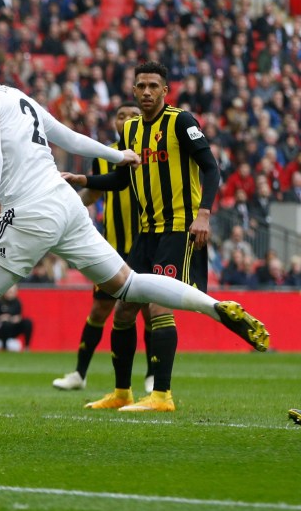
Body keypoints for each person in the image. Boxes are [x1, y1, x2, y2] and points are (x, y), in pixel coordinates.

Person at [0, 43, 269, 441]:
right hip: (67, 206)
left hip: (30, 210)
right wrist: (117, 157)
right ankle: (215, 307)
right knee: (129, 284)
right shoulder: (17, 96)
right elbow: (68, 137)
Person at [65, 61, 253, 413]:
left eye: (154, 86)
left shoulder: (181, 122)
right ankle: (123, 392)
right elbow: (122, 180)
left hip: (179, 227)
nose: (147, 91)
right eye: (141, 86)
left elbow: (211, 168)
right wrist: (84, 180)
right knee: (123, 310)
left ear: (165, 90)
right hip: (147, 232)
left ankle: (162, 395)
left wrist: (204, 214)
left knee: (158, 305)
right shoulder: (132, 130)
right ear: (134, 90)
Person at [52, 102, 155, 393]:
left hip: (146, 243)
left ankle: (151, 374)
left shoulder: (153, 151)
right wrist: (65, 206)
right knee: (99, 309)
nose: (125, 120)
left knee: (148, 309)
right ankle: (79, 374)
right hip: (112, 247)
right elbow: (93, 193)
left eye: (132, 115)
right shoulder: (106, 154)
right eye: (120, 116)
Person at [0, 284, 33, 352]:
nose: (11, 293)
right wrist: (0, 319)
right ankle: (4, 348)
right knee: (5, 324)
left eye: (13, 291)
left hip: (11, 329)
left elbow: (18, 316)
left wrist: (17, 319)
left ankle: (27, 347)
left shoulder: (17, 302)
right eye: (9, 291)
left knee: (28, 322)